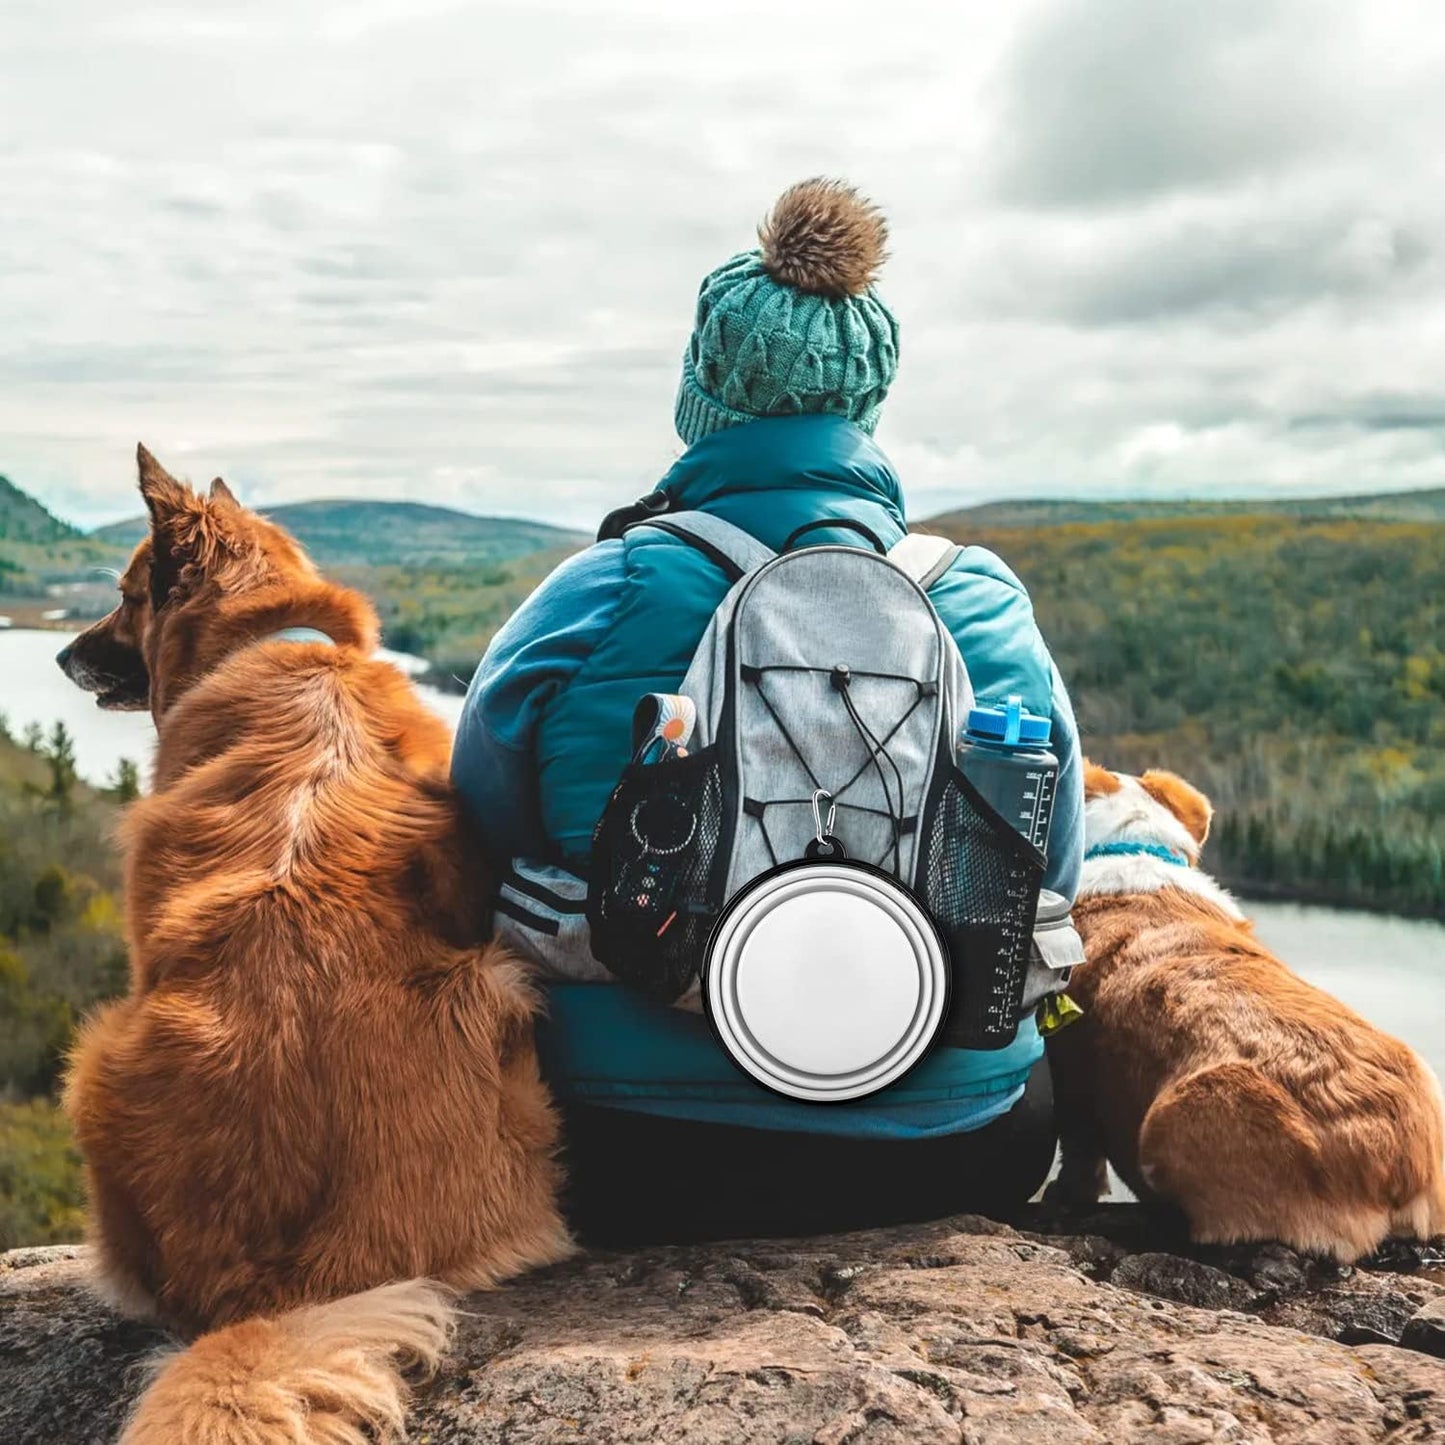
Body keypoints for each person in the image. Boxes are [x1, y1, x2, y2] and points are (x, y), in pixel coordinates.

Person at [451, 178, 1084, 1245]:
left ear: (703, 389)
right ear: (866, 404)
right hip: (958, 1145)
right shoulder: (979, 600)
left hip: (628, 1145)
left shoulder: (600, 589)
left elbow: (474, 832)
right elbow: (1051, 868)